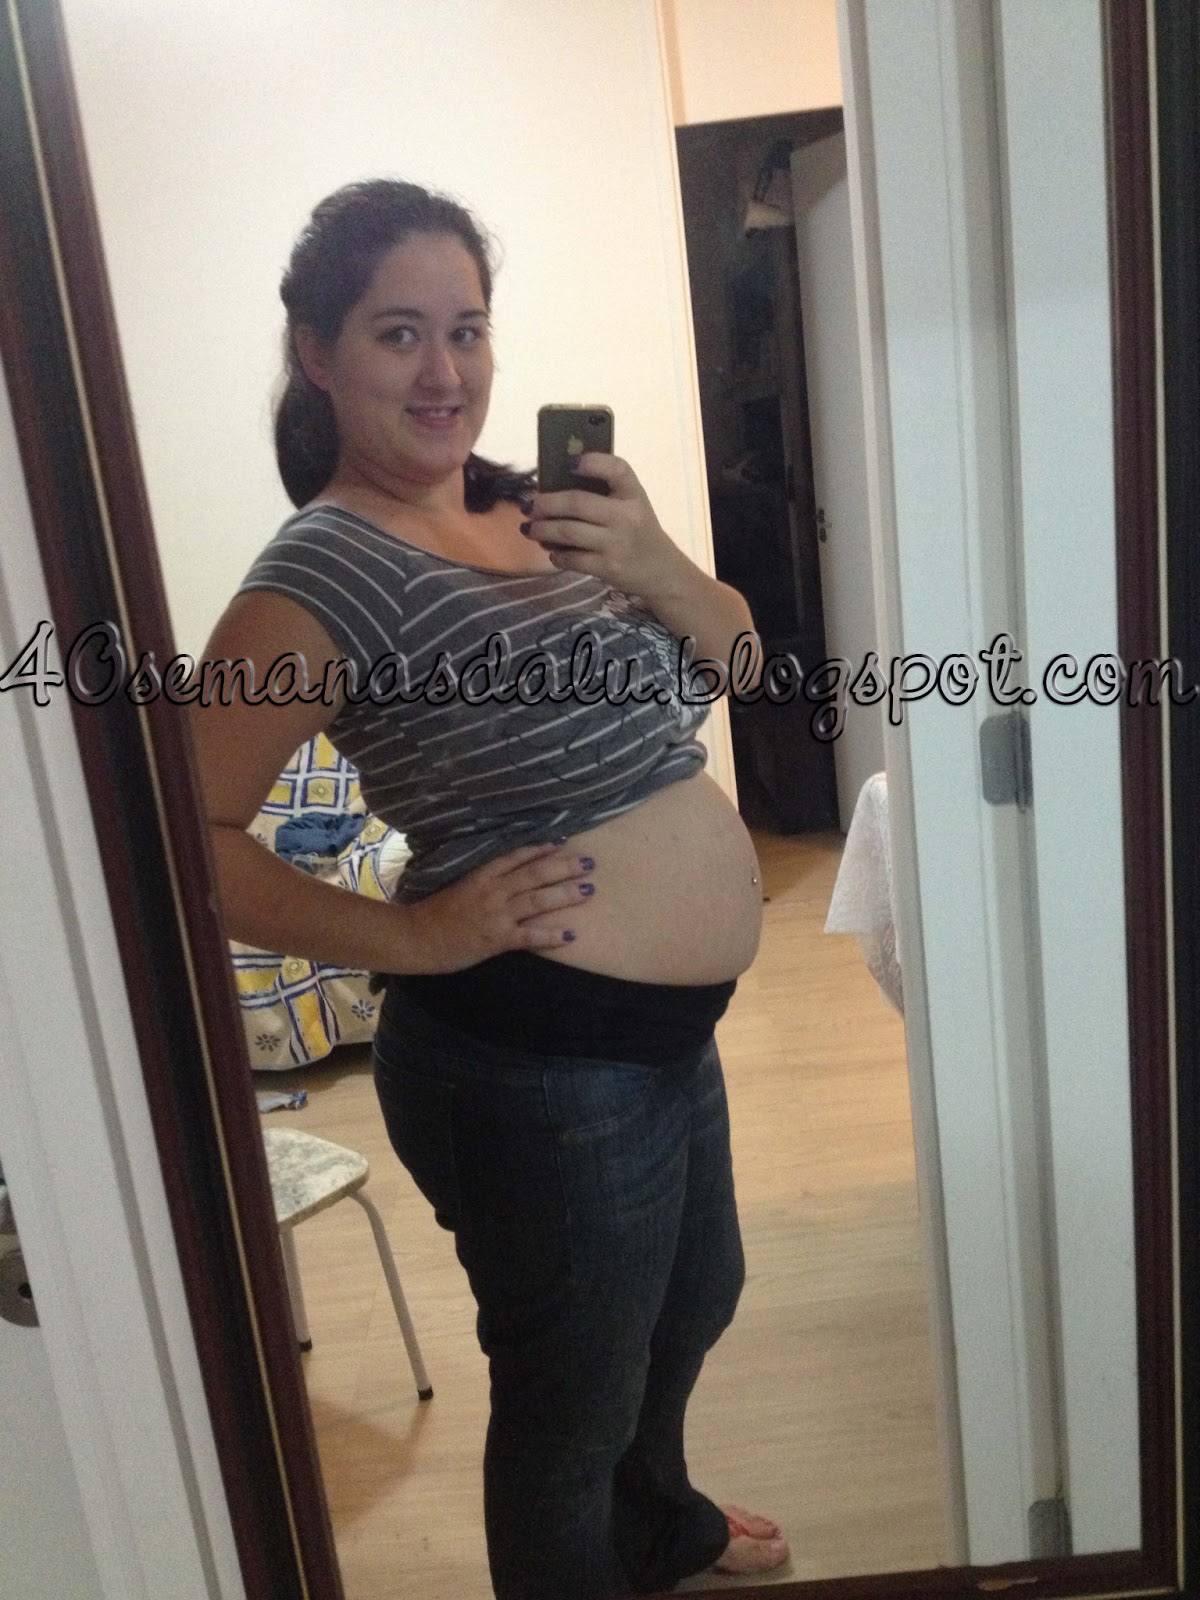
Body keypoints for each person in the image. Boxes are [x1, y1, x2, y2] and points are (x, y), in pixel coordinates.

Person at [192, 177, 788, 1599]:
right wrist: (411, 934)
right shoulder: (321, 574)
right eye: (398, 333)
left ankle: (660, 1529)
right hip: (532, 1066)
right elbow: (190, 837)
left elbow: (743, 665)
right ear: (318, 352)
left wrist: (653, 557)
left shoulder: (540, 508)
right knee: (567, 1410)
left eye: (466, 329)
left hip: (659, 1037)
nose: (444, 372)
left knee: (694, 1304)